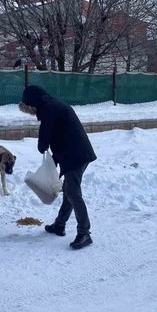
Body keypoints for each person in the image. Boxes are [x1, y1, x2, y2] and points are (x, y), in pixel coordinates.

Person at [19, 85, 97, 250]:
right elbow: (61, 133)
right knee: (69, 190)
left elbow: (45, 135)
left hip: (76, 154)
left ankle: (85, 233)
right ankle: (60, 224)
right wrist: (54, 158)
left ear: (32, 102)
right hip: (75, 152)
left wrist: (42, 147)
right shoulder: (53, 105)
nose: (32, 112)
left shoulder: (48, 109)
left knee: (73, 192)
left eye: (30, 107)